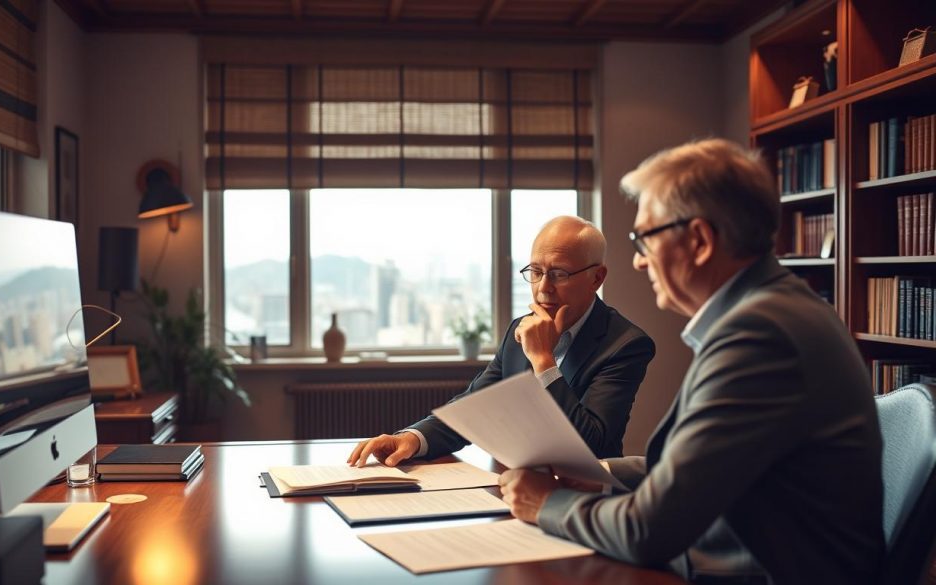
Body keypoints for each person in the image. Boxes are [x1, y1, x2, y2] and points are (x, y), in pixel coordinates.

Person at [498, 139, 884, 585]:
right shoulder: (771, 311)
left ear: (699, 240)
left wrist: (543, 504)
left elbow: (648, 530)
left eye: (645, 239)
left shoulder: (760, 337)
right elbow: (695, 469)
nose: (640, 262)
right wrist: (598, 472)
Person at [348, 216, 655, 467]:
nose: (543, 289)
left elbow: (593, 445)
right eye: (535, 272)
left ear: (597, 278)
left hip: (586, 499)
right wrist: (412, 438)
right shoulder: (518, 330)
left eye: (559, 274)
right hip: (513, 485)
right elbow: (474, 409)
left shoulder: (625, 345)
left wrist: (543, 361)